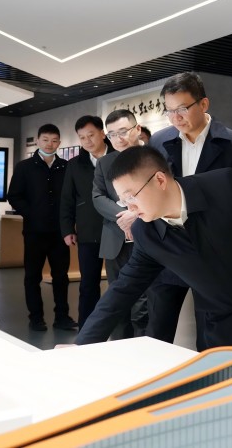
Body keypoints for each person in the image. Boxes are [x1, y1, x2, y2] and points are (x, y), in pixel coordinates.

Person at [74, 147, 232, 369]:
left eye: (131, 196)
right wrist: (82, 345)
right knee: (222, 394)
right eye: (123, 200)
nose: (129, 207)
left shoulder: (227, 185)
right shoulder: (147, 232)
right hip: (221, 323)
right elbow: (124, 288)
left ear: (159, 180)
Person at [148, 72, 232, 348]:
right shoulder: (159, 142)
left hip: (212, 253)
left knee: (211, 336)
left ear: (204, 104)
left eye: (182, 109)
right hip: (170, 247)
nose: (175, 118)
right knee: (157, 330)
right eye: (169, 111)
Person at [7, 124, 76, 332]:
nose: (49, 144)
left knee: (61, 277)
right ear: (38, 141)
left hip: (60, 233)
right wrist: (32, 213)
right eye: (45, 140)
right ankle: (36, 318)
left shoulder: (66, 167)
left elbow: (72, 197)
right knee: (32, 277)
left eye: (54, 141)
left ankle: (62, 317)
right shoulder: (24, 167)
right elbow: (14, 196)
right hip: (34, 232)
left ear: (59, 143)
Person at [92, 110, 150, 338]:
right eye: (112, 134)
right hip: (115, 240)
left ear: (137, 129)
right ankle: (120, 347)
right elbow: (97, 196)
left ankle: (144, 346)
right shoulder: (104, 162)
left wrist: (135, 214)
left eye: (123, 132)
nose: (118, 138)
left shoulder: (153, 156)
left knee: (144, 303)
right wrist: (123, 215)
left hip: (147, 238)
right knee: (117, 300)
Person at [60, 115, 112, 329]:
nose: (87, 141)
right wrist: (67, 229)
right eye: (82, 137)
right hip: (88, 230)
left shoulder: (119, 157)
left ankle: (122, 331)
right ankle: (87, 330)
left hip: (118, 230)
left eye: (91, 135)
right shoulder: (75, 164)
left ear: (102, 133)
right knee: (88, 285)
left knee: (120, 284)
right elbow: (67, 199)